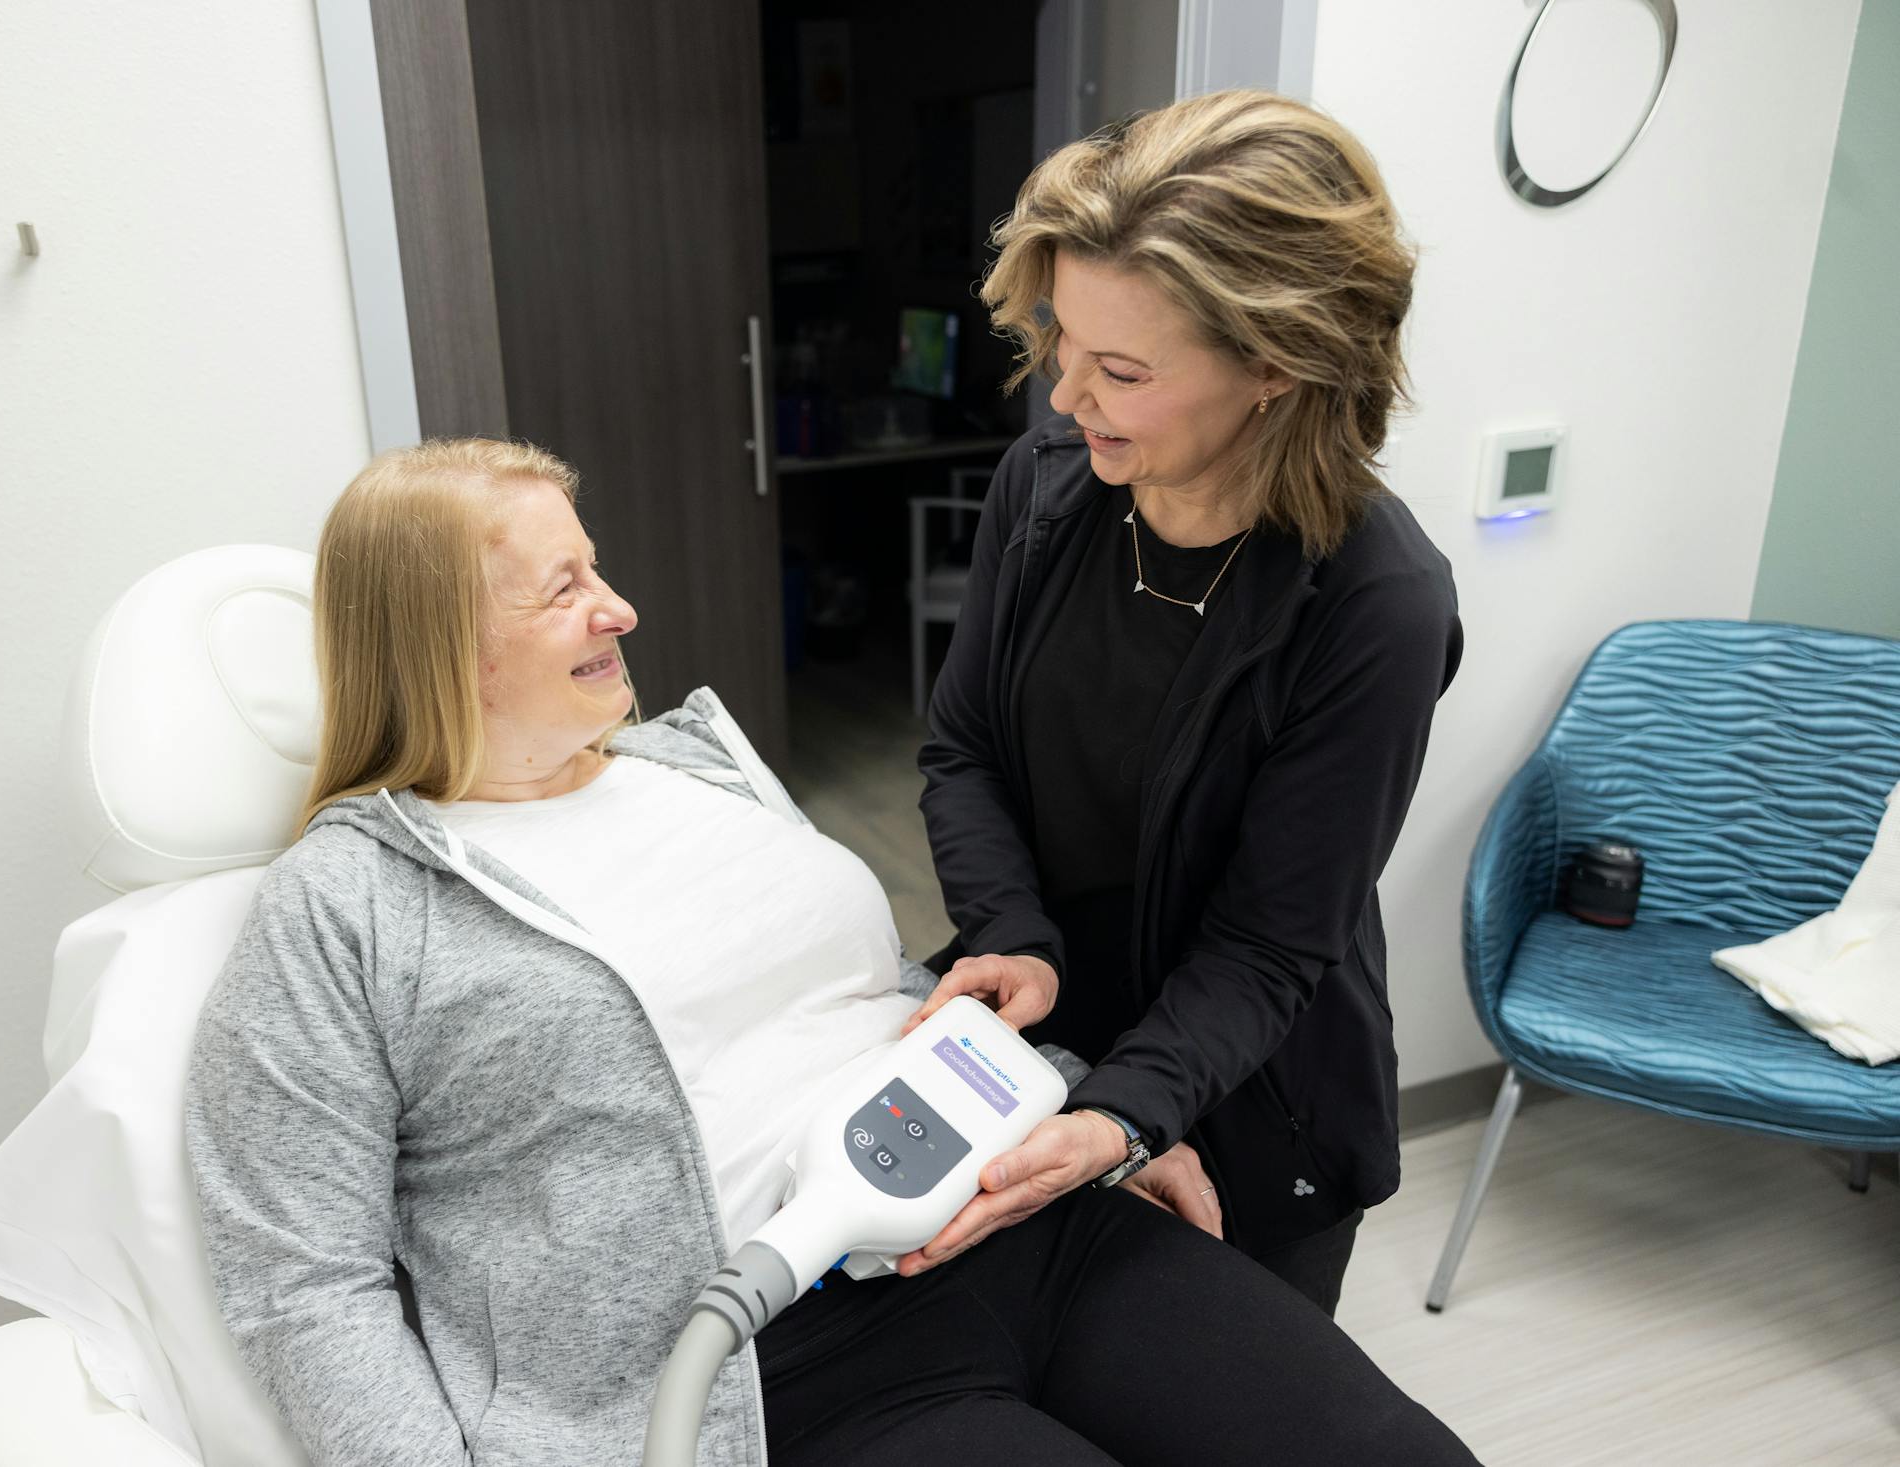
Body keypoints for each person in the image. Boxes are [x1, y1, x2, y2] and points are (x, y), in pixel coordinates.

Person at [185, 438, 1476, 1465]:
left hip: (1029, 1221)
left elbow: (872, 1000)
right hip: (784, 1361)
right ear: (434, 640)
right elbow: (304, 1280)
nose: (620, 607)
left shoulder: (695, 767)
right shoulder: (345, 906)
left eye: (598, 567)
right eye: (562, 589)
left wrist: (1095, 1114)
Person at [909, 90, 1462, 1316]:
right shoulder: (1046, 488)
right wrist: (1012, 935)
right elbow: (965, 747)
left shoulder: (1374, 603)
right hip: (1042, 1053)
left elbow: (1269, 943)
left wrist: (1124, 1115)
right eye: (1063, 342)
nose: (1065, 397)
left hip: (1251, 1095)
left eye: (1120, 370)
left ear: (1274, 365)